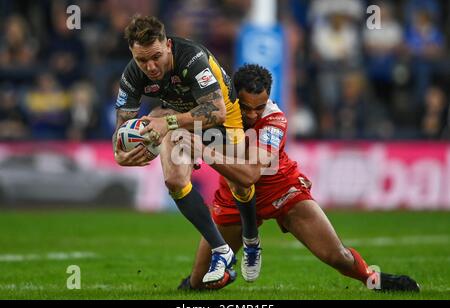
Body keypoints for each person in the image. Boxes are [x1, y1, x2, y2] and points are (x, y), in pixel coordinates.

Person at [178, 64, 420, 292]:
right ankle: (228, 270)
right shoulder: (220, 110)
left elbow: (250, 174)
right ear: (234, 97)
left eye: (258, 108)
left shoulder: (275, 120)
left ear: (268, 99)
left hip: (281, 191)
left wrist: (202, 150)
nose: (252, 115)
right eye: (246, 107)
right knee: (198, 282)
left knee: (337, 256)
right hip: (234, 197)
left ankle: (376, 280)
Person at [112, 15, 261, 285]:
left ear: (167, 45)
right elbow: (122, 127)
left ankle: (251, 238)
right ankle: (222, 250)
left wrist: (165, 121)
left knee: (240, 183)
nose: (150, 66)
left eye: (155, 56)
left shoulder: (191, 58)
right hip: (180, 120)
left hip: (224, 119)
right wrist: (120, 153)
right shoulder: (132, 74)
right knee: (174, 180)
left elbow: (214, 112)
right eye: (141, 60)